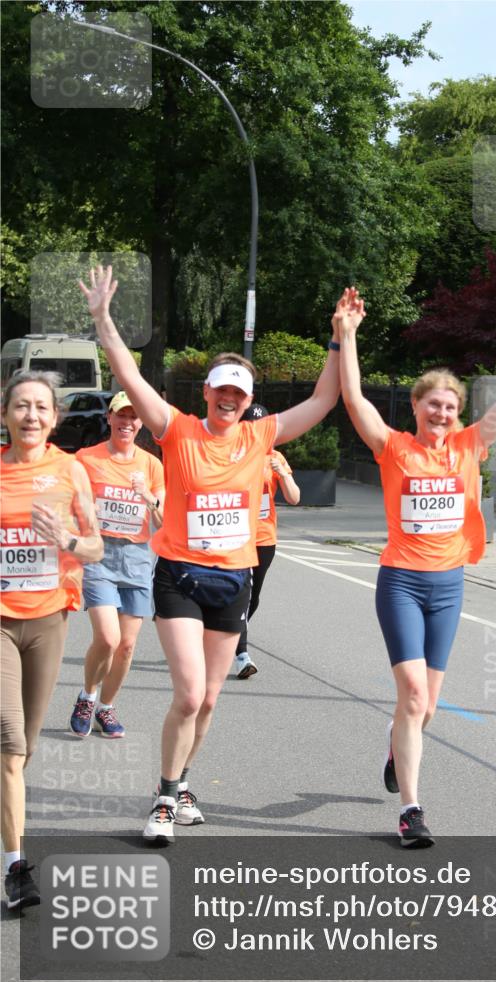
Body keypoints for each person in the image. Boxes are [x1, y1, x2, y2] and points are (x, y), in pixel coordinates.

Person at [78, 265, 364, 843]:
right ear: (206, 392)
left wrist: (342, 335)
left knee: (208, 699)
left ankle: (182, 783)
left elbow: (327, 396)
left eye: (239, 394)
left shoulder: (261, 436)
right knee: (187, 693)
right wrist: (104, 320)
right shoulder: (176, 429)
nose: (229, 400)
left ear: (248, 400)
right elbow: (130, 374)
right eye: (221, 390)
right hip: (179, 577)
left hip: (235, 580)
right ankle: (162, 798)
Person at [338, 289, 496, 848]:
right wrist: (349, 336)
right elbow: (354, 396)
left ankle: (396, 742)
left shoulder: (468, 446)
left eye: (450, 406)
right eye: (432, 404)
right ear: (415, 407)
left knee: (425, 707)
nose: (441, 413)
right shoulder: (393, 447)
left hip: (449, 585)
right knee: (413, 694)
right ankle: (411, 812)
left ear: (458, 414)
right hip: (402, 583)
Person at [1, 371, 103, 909]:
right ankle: (16, 869)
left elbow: (95, 548)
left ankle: (6, 815)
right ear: (5, 415)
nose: (31, 416)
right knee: (10, 742)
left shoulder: (70, 470)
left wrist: (62, 537)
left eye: (41, 407)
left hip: (48, 618)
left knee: (26, 747)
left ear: (54, 418)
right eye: (21, 406)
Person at [68, 391, 165, 739]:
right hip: (100, 555)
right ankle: (87, 696)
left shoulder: (152, 465)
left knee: (126, 645)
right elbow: (69, 505)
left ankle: (106, 708)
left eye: (134, 417)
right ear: (110, 418)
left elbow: (165, 519)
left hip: (137, 557)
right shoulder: (85, 459)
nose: (127, 423)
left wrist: (148, 497)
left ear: (141, 424)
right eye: (121, 416)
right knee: (107, 638)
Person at [233, 404, 301, 679]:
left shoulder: (275, 457)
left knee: (254, 597)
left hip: (264, 536)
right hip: (237, 537)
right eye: (251, 426)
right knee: (242, 594)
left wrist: (282, 474)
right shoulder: (232, 455)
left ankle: (226, 635)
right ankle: (241, 654)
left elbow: (295, 497)